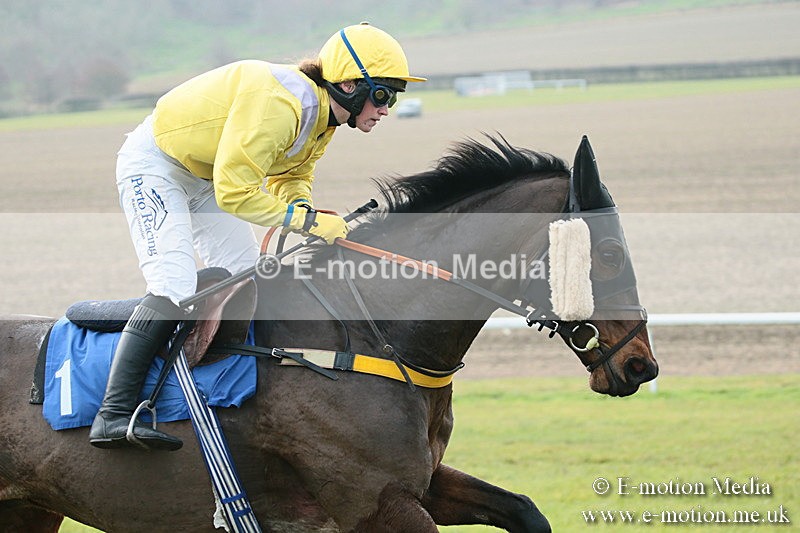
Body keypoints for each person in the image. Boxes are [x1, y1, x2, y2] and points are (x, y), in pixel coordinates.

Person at [89, 22, 426, 450]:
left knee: (248, 277)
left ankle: (220, 392)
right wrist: (306, 224)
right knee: (174, 284)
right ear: (348, 85)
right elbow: (235, 194)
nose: (386, 109)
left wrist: (303, 209)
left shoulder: (324, 118)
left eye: (393, 98)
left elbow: (292, 176)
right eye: (382, 95)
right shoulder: (280, 107)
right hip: (156, 167)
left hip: (207, 176)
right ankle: (112, 414)